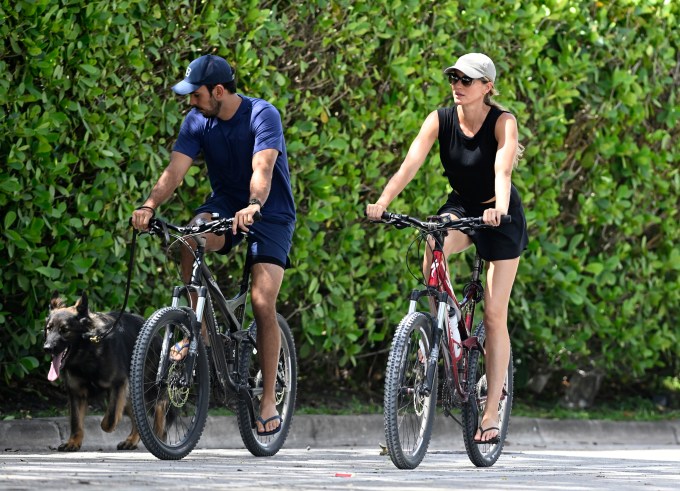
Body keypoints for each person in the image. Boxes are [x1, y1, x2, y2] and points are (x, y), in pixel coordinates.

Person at [366, 53, 528, 444]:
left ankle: (490, 410)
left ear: (487, 87)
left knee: (493, 314)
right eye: (454, 77)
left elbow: (502, 170)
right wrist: (383, 202)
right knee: (433, 241)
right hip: (461, 206)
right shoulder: (440, 119)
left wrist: (500, 210)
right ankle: (446, 329)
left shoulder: (503, 122)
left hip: (498, 216)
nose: (457, 85)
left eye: (467, 80)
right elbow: (410, 163)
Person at [131, 54, 296, 437]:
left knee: (261, 302)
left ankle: (269, 398)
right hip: (224, 207)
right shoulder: (197, 121)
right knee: (187, 240)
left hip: (268, 213)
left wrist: (254, 204)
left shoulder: (262, 114)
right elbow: (175, 170)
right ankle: (199, 333)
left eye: (197, 94)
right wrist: (149, 205)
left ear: (218, 91)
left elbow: (263, 168)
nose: (191, 101)